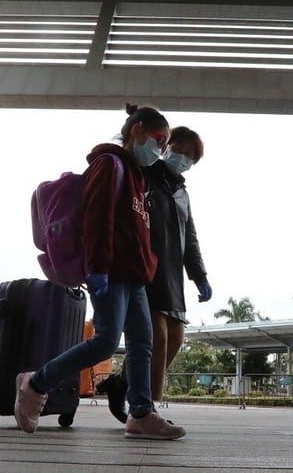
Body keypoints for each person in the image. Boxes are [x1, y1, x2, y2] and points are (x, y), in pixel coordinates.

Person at [14, 104, 185, 440]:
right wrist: (98, 268)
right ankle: (34, 383)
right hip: (111, 271)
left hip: (134, 275)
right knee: (105, 343)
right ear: (136, 130)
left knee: (141, 344)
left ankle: (140, 413)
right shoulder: (110, 165)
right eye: (158, 139)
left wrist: (147, 266)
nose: (161, 150)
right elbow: (98, 217)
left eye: (165, 145)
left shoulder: (136, 174)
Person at [98, 126, 212, 422]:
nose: (183, 158)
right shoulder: (146, 174)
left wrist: (199, 275)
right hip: (145, 267)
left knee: (175, 337)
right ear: (167, 146)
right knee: (156, 338)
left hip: (172, 275)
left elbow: (191, 238)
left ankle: (122, 383)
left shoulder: (182, 192)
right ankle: (148, 409)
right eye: (180, 150)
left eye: (190, 156)